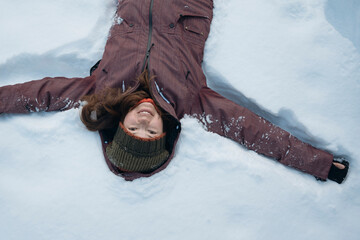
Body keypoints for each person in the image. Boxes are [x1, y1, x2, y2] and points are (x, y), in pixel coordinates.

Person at [0, 0, 349, 183]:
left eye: (133, 128)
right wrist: (319, 164)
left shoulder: (100, 92)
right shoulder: (191, 101)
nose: (144, 121)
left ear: (118, 125)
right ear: (165, 132)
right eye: (151, 132)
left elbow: (39, 94)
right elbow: (252, 131)